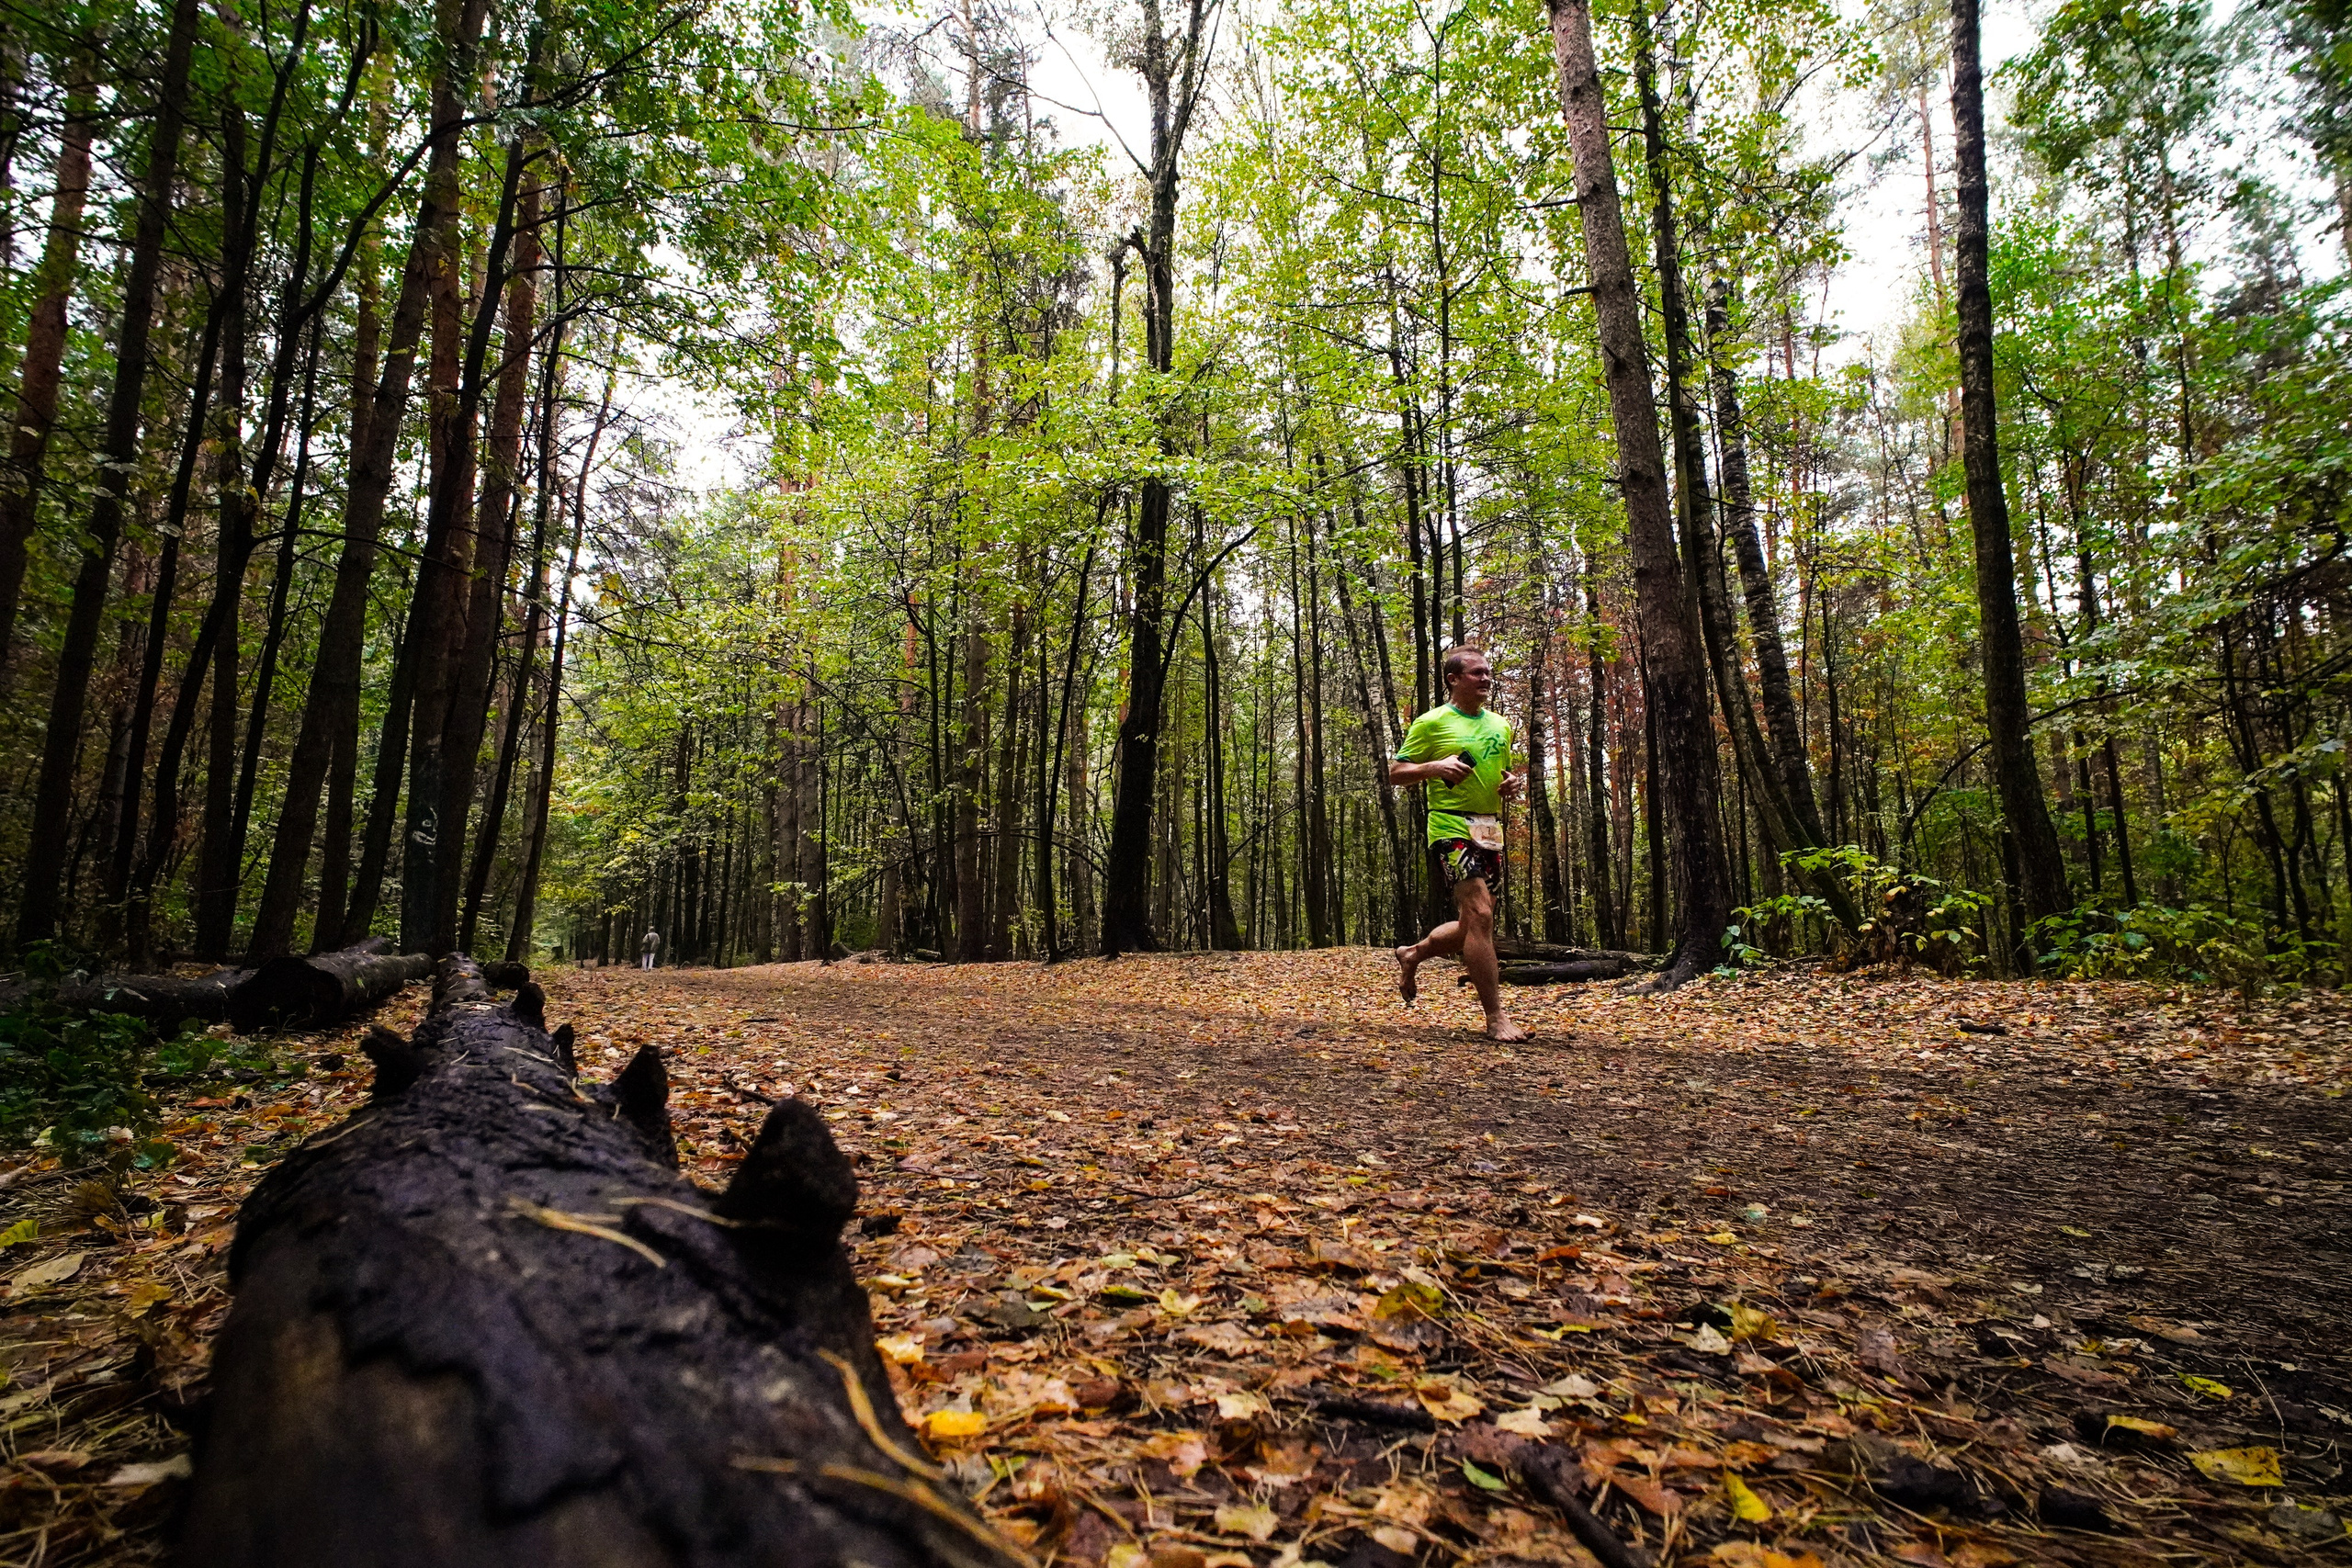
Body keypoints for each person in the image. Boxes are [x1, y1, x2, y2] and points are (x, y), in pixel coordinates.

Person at [1389, 647, 1528, 1043]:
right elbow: (1396, 772)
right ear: (1453, 679)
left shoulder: (1501, 726)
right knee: (1482, 914)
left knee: (1473, 924)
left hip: (1489, 827)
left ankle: (1412, 953)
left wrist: (1511, 783)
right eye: (1477, 673)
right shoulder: (1431, 723)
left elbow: (1502, 771)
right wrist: (1435, 766)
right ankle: (1496, 1017)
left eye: (1488, 673)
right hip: (1448, 825)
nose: (1486, 679)